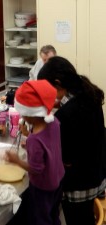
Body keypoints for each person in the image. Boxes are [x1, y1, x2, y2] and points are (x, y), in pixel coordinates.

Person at [37, 56, 106, 225]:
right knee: (85, 217)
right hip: (97, 172)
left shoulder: (66, 115)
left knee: (78, 219)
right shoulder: (88, 92)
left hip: (79, 184)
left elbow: (63, 159)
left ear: (58, 83)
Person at [6, 80, 64, 225]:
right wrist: (27, 133)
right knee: (53, 213)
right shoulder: (54, 121)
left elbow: (37, 169)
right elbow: (49, 144)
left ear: (28, 115)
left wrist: (16, 160)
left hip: (43, 187)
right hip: (58, 178)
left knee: (40, 218)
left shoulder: (34, 140)